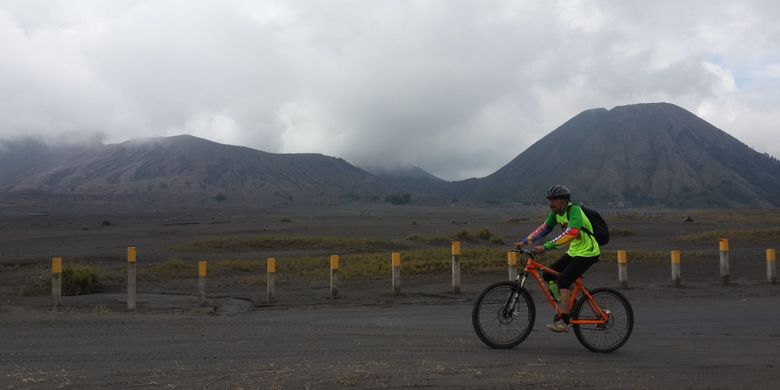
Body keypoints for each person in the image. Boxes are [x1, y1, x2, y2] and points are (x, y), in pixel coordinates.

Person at [515, 185, 600, 333]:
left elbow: (572, 232)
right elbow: (544, 228)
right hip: (574, 252)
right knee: (548, 275)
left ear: (564, 201)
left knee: (563, 281)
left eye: (554, 200)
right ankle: (564, 305)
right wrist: (525, 241)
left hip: (588, 252)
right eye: (549, 199)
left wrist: (546, 246)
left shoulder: (575, 211)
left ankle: (564, 321)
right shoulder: (555, 213)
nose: (550, 203)